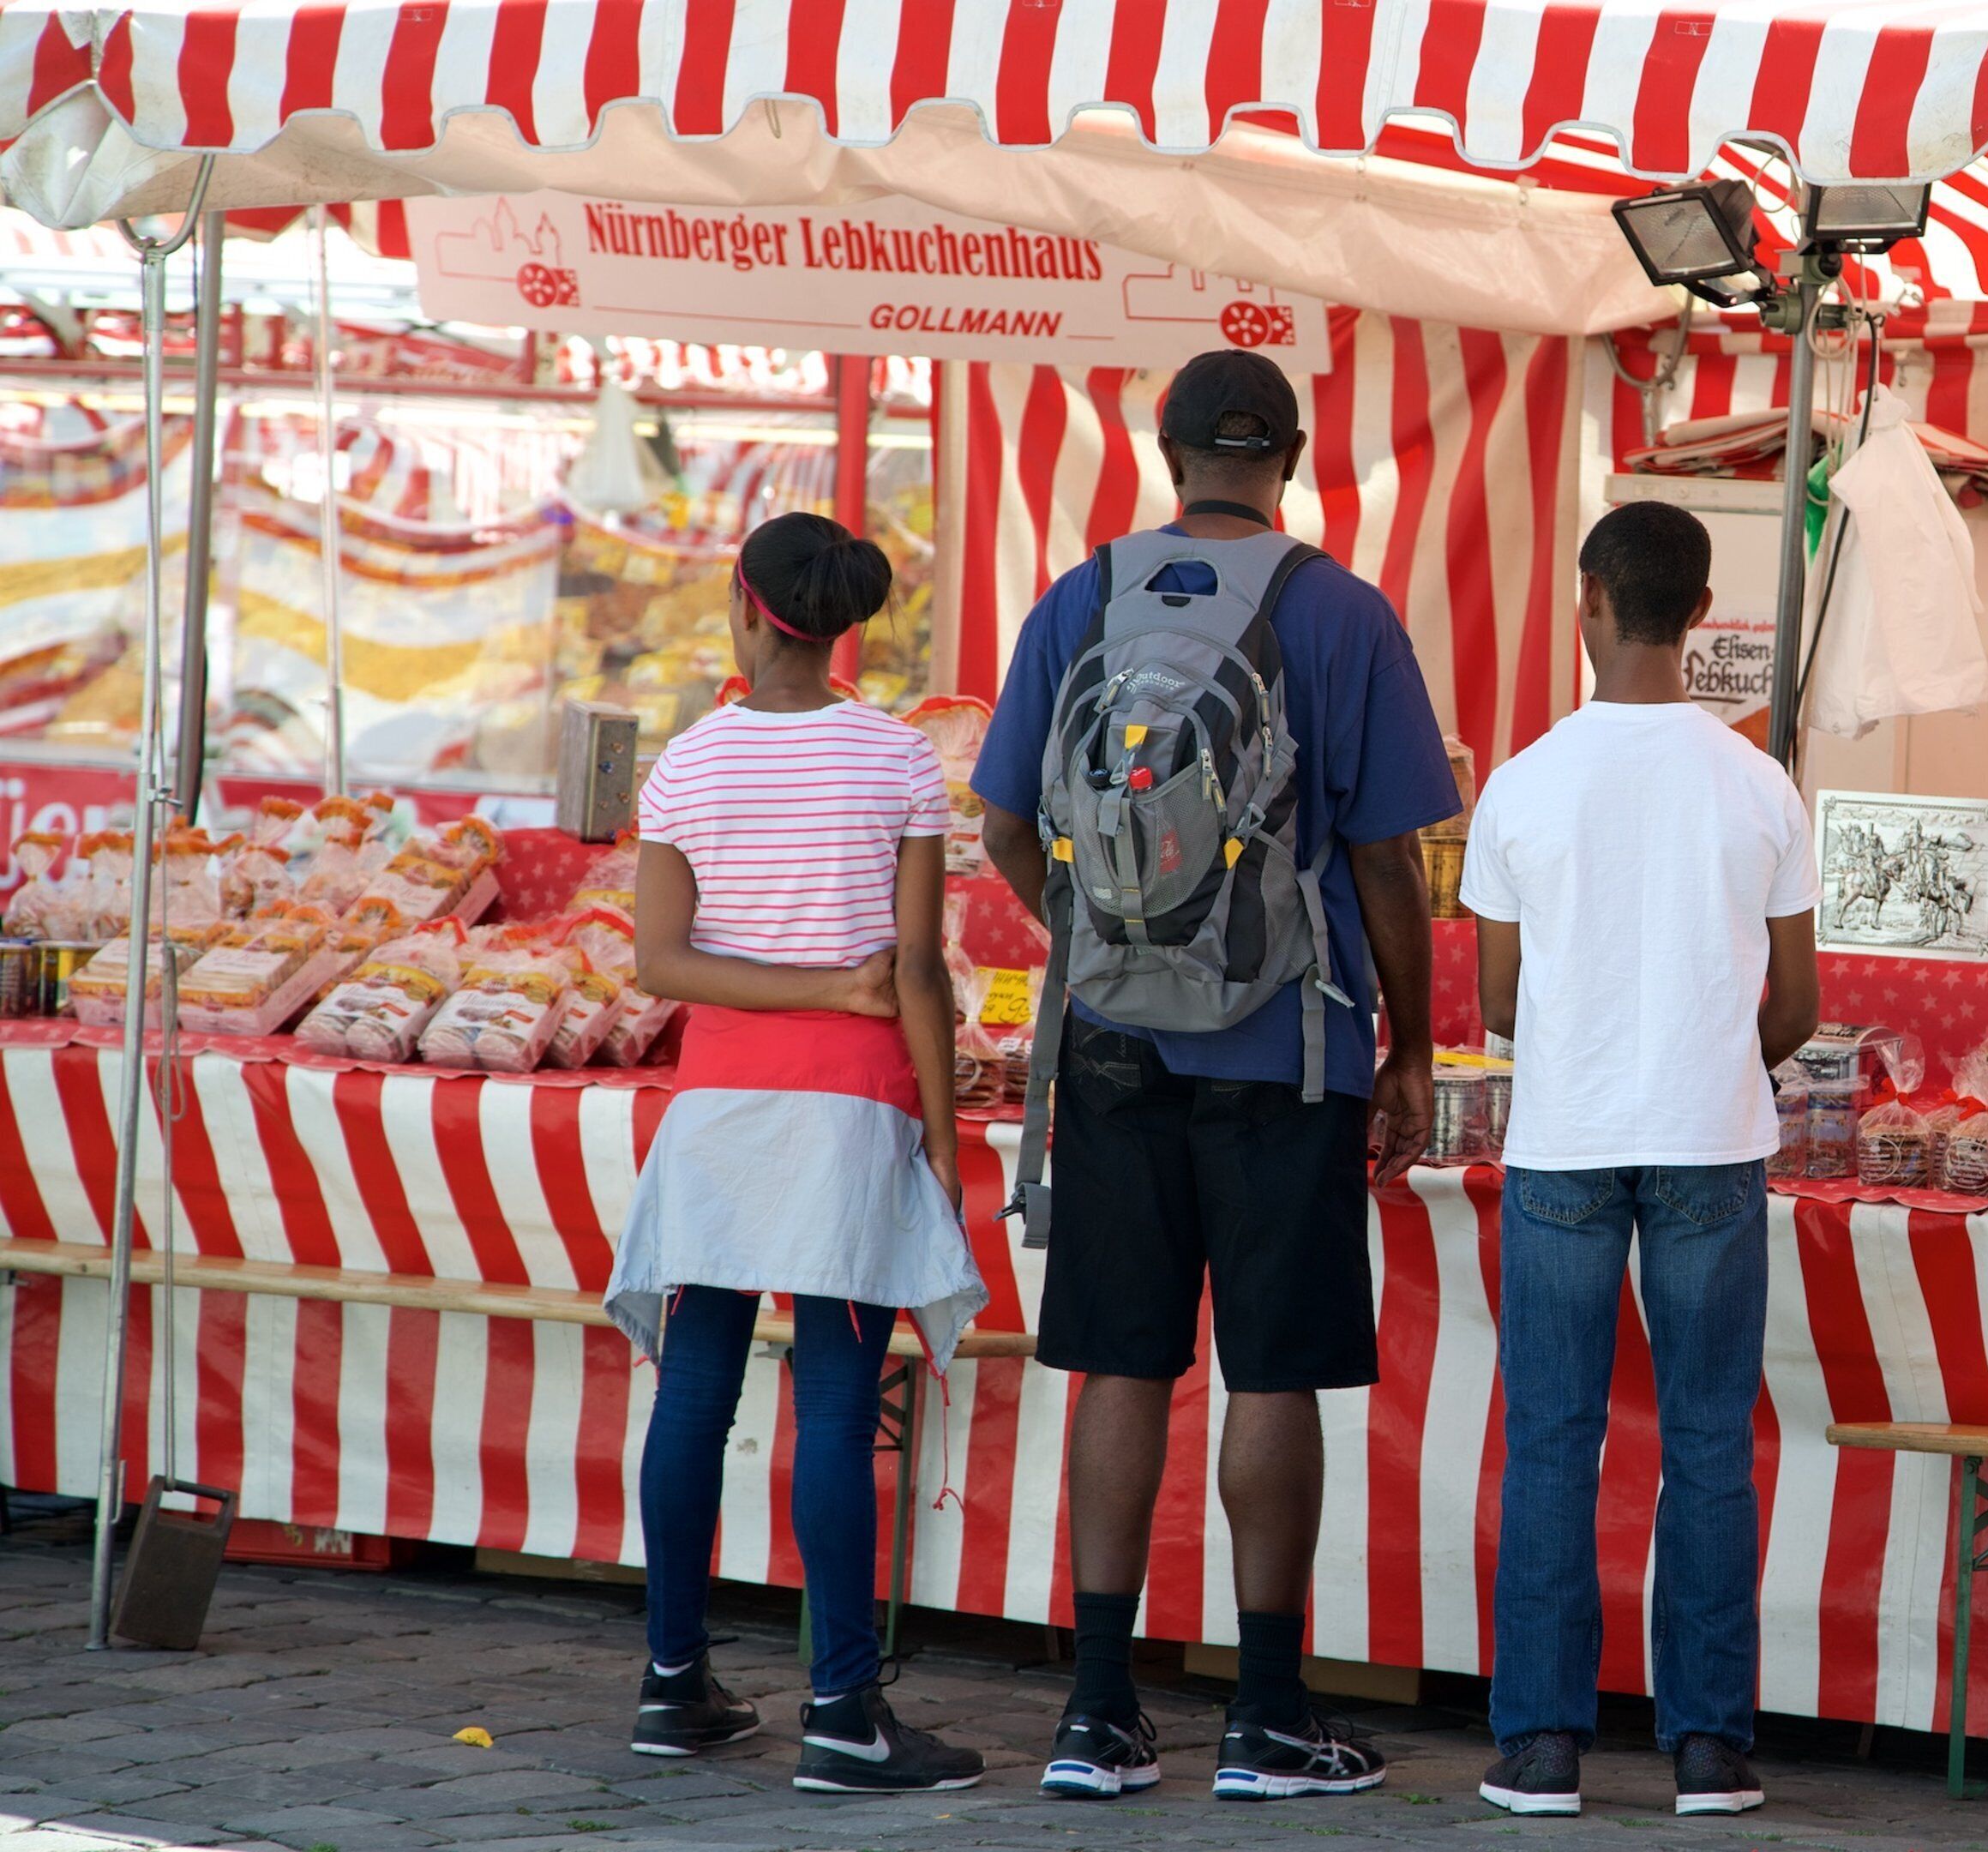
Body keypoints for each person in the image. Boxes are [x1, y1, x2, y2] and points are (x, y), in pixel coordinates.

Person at [973, 349, 1456, 1803]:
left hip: (1113, 1046)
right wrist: (1411, 1040)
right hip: (1289, 1049)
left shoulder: (1081, 597)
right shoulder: (1343, 613)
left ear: (1167, 450)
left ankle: (1096, 1713)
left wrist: (1095, 944)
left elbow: (1003, 824)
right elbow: (1389, 861)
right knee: (1274, 1368)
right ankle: (1266, 1717)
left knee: (1119, 1360)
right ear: (1291, 458)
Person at [606, 511, 989, 1794]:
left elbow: (661, 964)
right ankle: (842, 1712)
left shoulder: (688, 762)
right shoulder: (898, 757)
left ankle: (674, 1685)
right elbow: (918, 972)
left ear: (744, 604)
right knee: (834, 1406)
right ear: (841, 626)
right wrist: (940, 1140)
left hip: (716, 1109)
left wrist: (807, 990)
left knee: (693, 1395)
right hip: (852, 1110)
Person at [1459, 500, 1822, 1820]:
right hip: (1712, 1140)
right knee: (1710, 1439)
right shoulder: (1759, 782)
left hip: (1565, 1140)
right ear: (1702, 616)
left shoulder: (1523, 781)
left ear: (1590, 603)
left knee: (1554, 1439)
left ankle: (1541, 1746)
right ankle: (1710, 1749)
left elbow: (1497, 1003)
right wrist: (1714, 1053)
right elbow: (1799, 1005)